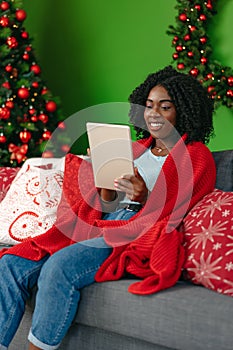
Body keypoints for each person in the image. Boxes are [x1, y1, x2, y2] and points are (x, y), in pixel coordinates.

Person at [0, 66, 216, 350]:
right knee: (10, 264)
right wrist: (102, 178)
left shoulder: (196, 155)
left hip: (134, 232)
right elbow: (105, 203)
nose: (153, 114)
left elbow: (175, 209)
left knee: (58, 267)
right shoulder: (136, 148)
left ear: (184, 111)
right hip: (100, 222)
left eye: (165, 107)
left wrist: (143, 197)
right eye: (148, 105)